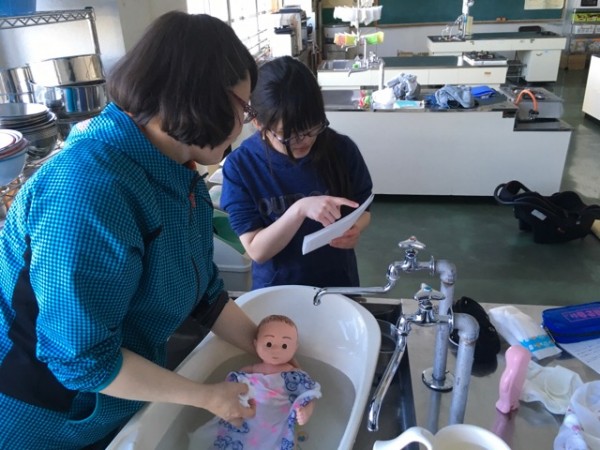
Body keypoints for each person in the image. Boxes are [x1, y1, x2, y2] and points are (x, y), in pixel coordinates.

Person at [0, 12, 260, 449]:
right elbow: (79, 358)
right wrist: (206, 397)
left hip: (116, 395)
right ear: (204, 97)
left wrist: (265, 344)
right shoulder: (89, 189)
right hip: (40, 417)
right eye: (244, 107)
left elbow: (205, 293)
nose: (243, 124)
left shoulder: (176, 173)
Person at [220, 56, 373, 289]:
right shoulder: (241, 167)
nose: (305, 140)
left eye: (313, 128)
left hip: (338, 284)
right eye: (290, 135)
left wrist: (355, 229)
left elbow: (363, 210)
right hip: (278, 289)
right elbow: (257, 250)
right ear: (259, 123)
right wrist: (300, 209)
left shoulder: (341, 150)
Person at [189, 315, 321, 449]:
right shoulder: (250, 370)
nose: (276, 349)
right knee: (235, 433)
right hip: (249, 418)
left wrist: (306, 412)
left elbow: (309, 395)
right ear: (256, 344)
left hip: (274, 422)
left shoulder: (294, 374)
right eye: (269, 344)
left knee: (279, 441)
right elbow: (234, 385)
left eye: (284, 345)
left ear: (295, 348)